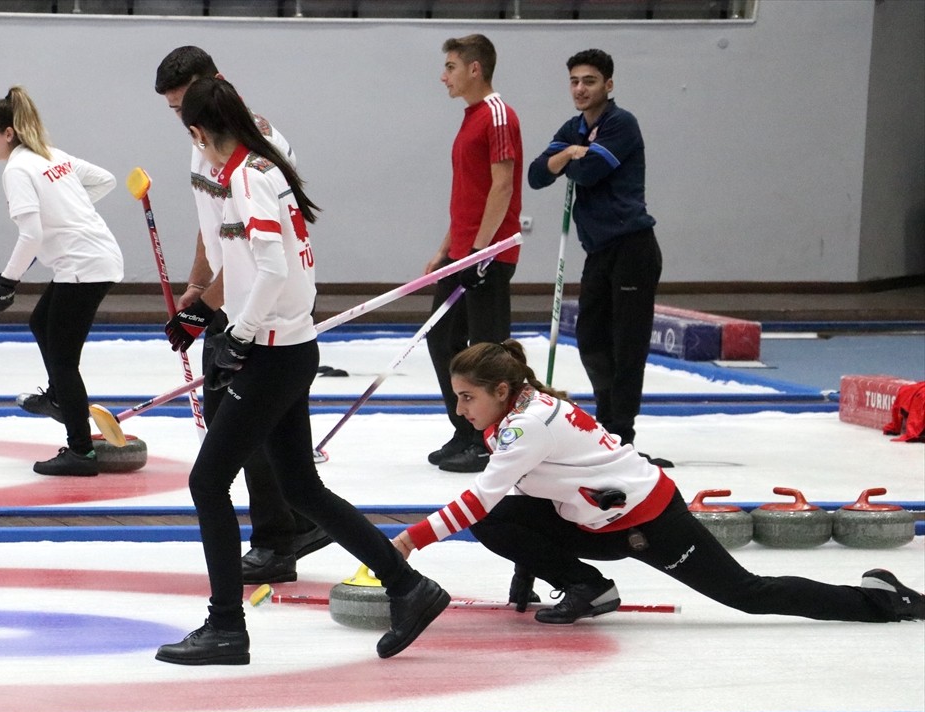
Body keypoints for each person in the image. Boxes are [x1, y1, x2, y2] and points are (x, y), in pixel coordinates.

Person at [156, 77, 450, 666]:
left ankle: (225, 627)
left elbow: (270, 269)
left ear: (198, 132)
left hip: (272, 352)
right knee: (299, 485)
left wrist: (239, 335)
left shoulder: (244, 177)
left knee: (207, 482)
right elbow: (260, 268)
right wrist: (205, 312)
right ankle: (407, 586)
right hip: (285, 346)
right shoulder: (262, 167)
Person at [390, 339, 925, 626]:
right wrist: (526, 576)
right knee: (502, 519)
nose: (460, 411)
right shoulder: (520, 411)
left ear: (503, 390)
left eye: (467, 398)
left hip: (649, 523)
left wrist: (411, 540)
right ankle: (590, 588)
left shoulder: (525, 426)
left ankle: (879, 602)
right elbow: (520, 494)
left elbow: (480, 497)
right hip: (598, 517)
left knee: (747, 595)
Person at [154, 46, 330, 584]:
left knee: (239, 429)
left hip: (260, 307)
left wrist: (209, 310)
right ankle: (296, 521)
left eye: (186, 105)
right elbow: (213, 228)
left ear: (215, 87)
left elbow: (257, 256)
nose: (183, 121)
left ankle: (279, 537)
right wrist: (197, 286)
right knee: (264, 433)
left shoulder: (258, 150)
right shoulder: (203, 142)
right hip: (232, 300)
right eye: (174, 110)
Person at [527, 49, 671, 467]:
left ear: (608, 85)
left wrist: (570, 160)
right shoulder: (573, 127)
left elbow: (588, 172)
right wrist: (568, 155)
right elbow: (538, 175)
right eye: (574, 81)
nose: (580, 89)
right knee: (591, 339)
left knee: (627, 345)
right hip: (599, 251)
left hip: (633, 247)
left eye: (589, 81)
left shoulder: (621, 124)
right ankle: (608, 425)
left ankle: (621, 434)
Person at [0, 86, 124, 477]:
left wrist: (7, 282)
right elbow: (105, 180)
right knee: (39, 322)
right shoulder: (51, 155)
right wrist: (68, 207)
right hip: (93, 260)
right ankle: (60, 400)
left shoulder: (18, 169)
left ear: (7, 133)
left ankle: (80, 452)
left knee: (63, 358)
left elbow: (31, 236)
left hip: (83, 266)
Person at [424, 34, 523, 474]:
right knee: (441, 339)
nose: (443, 75)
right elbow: (469, 193)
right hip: (463, 252)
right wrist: (445, 250)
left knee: (486, 351)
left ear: (474, 68)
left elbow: (502, 186)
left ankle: (491, 439)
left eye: (450, 66)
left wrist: (482, 251)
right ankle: (465, 429)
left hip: (489, 252)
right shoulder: (470, 118)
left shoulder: (498, 115)